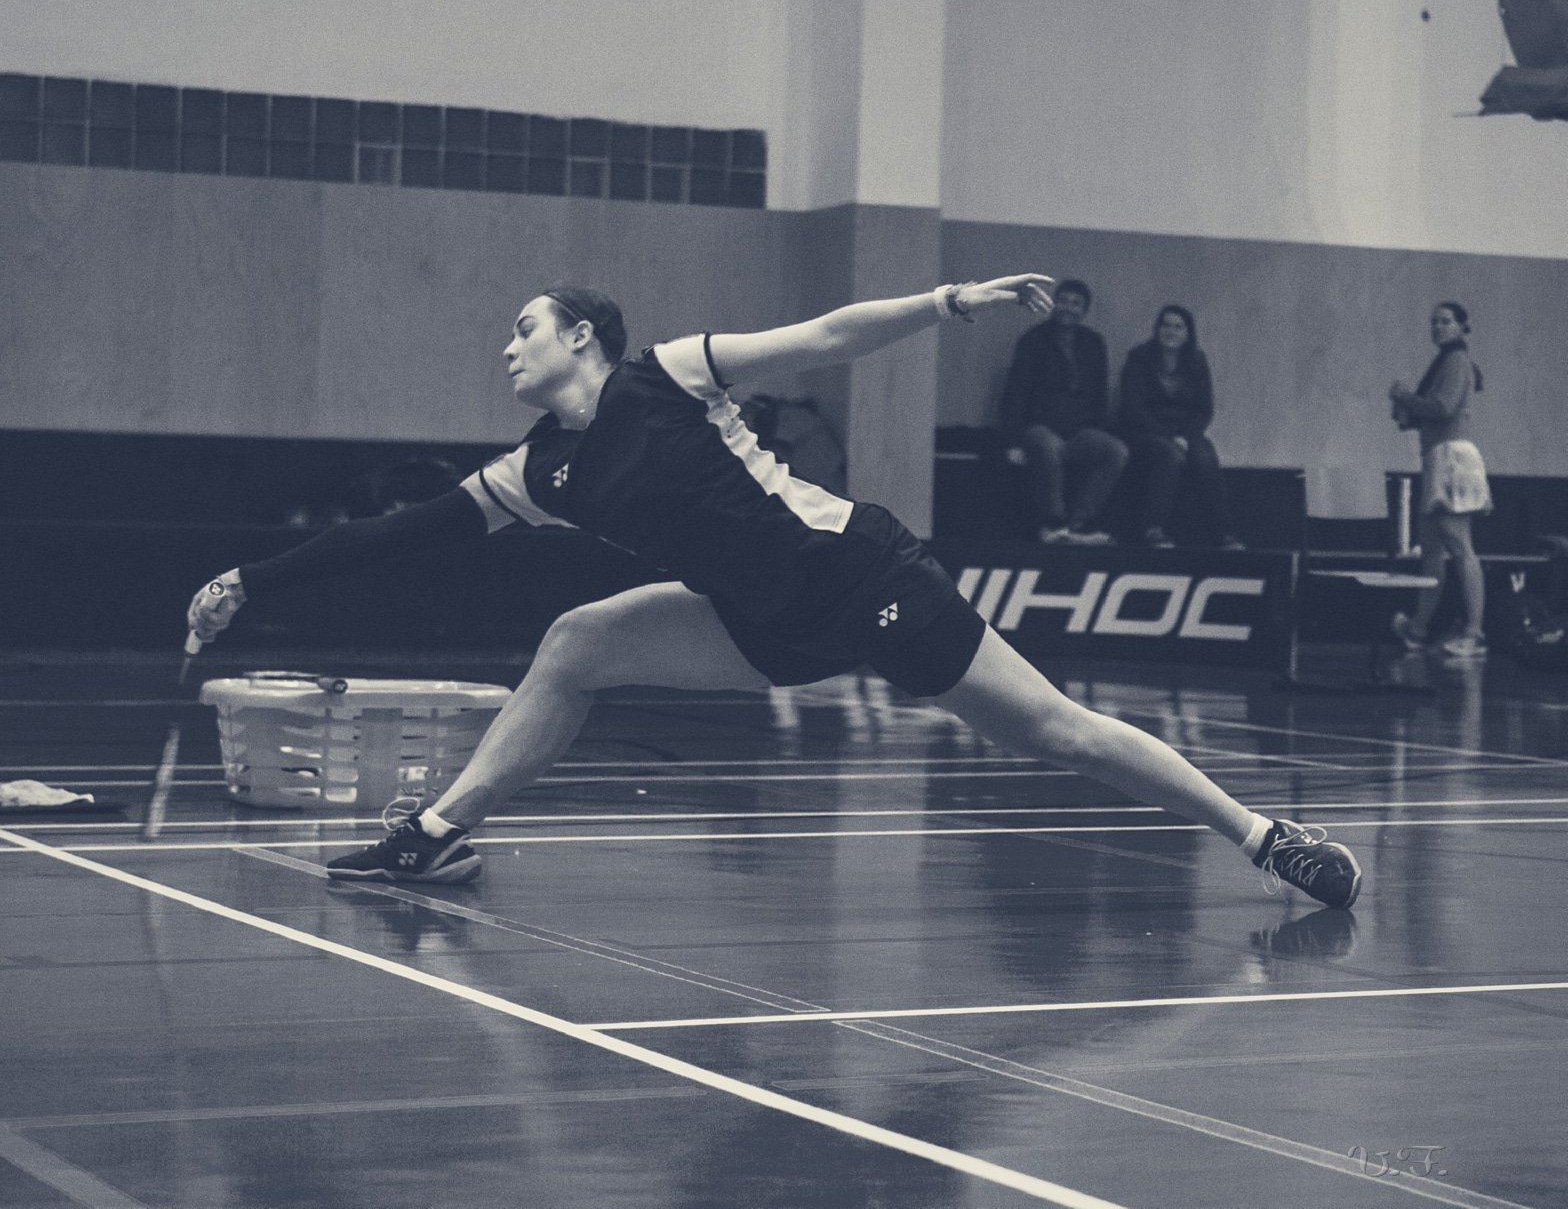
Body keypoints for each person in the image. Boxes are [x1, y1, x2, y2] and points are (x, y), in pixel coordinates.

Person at [187, 277, 1360, 910]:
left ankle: (1271, 839)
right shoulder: (537, 471)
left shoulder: (666, 378)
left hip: (863, 577)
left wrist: (947, 303)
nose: (509, 346)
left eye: (525, 327)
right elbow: (403, 532)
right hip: (758, 623)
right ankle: (436, 838)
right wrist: (252, 579)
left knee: (1059, 731)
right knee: (577, 641)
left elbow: (827, 336)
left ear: (583, 336)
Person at [1390, 301, 1491, 660]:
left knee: (1459, 545)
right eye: (1434, 322)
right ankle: (1418, 629)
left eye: (1446, 321)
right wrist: (1408, 409)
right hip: (1438, 459)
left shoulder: (1456, 360)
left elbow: (1442, 407)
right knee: (1432, 549)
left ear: (1463, 326)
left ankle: (1475, 633)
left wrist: (1405, 396)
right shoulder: (1446, 362)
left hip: (1452, 461)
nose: (1438, 327)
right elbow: (1432, 411)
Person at [998, 278, 1126, 545]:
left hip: (1080, 429)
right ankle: (1053, 523)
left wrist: (1097, 428)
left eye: (1076, 303)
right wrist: (1013, 442)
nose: (1068, 308)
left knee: (1116, 451)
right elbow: (1016, 392)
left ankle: (1081, 523)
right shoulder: (1033, 340)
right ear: (1053, 304)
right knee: (1048, 446)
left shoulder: (1094, 343)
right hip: (1040, 426)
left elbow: (1099, 393)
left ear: (1084, 310)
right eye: (1063, 301)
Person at [1116, 305, 1245, 550]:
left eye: (1178, 327)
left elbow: (1204, 409)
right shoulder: (1139, 358)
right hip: (1144, 431)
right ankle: (1153, 528)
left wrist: (1186, 435)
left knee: (1205, 456)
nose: (1171, 331)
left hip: (1185, 432)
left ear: (1188, 333)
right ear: (1157, 329)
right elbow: (1133, 408)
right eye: (1166, 325)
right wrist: (1168, 436)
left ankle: (1224, 533)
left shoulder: (1197, 361)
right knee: (1170, 456)